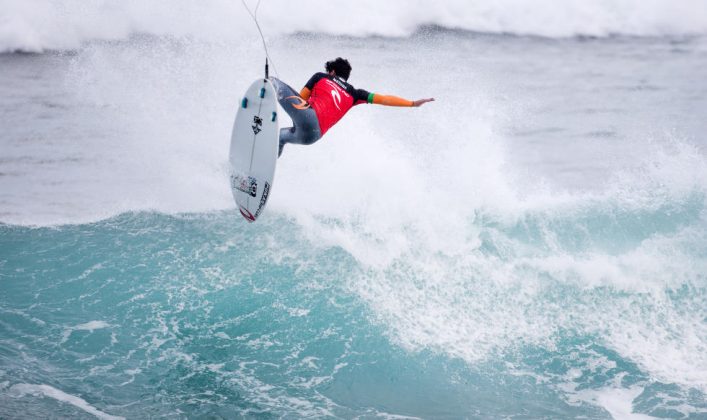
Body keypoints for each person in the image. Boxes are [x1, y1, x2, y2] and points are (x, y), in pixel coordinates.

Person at [270, 57, 434, 157]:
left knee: (273, 82)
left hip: (307, 117)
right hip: (312, 137)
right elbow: (384, 99)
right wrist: (412, 103)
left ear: (332, 72)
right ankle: (267, 167)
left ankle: (262, 100)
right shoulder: (356, 94)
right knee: (281, 137)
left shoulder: (321, 76)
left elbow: (300, 99)